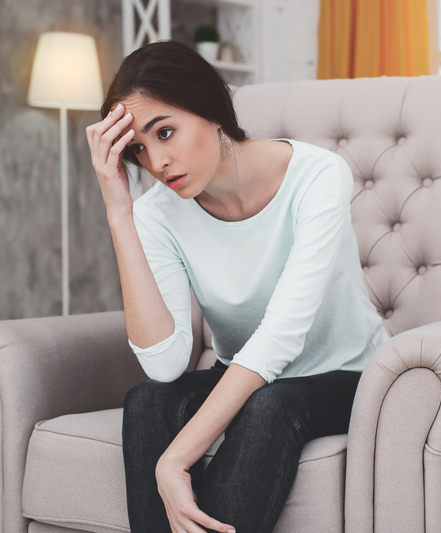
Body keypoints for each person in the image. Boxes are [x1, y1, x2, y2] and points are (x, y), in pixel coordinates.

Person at [86, 41, 389, 533]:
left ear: (211, 110)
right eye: (138, 148)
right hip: (245, 375)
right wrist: (121, 213)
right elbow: (164, 364)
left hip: (348, 374)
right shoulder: (157, 212)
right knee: (146, 400)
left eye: (165, 132)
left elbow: (280, 339)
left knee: (274, 403)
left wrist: (174, 460)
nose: (158, 162)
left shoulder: (316, 175)